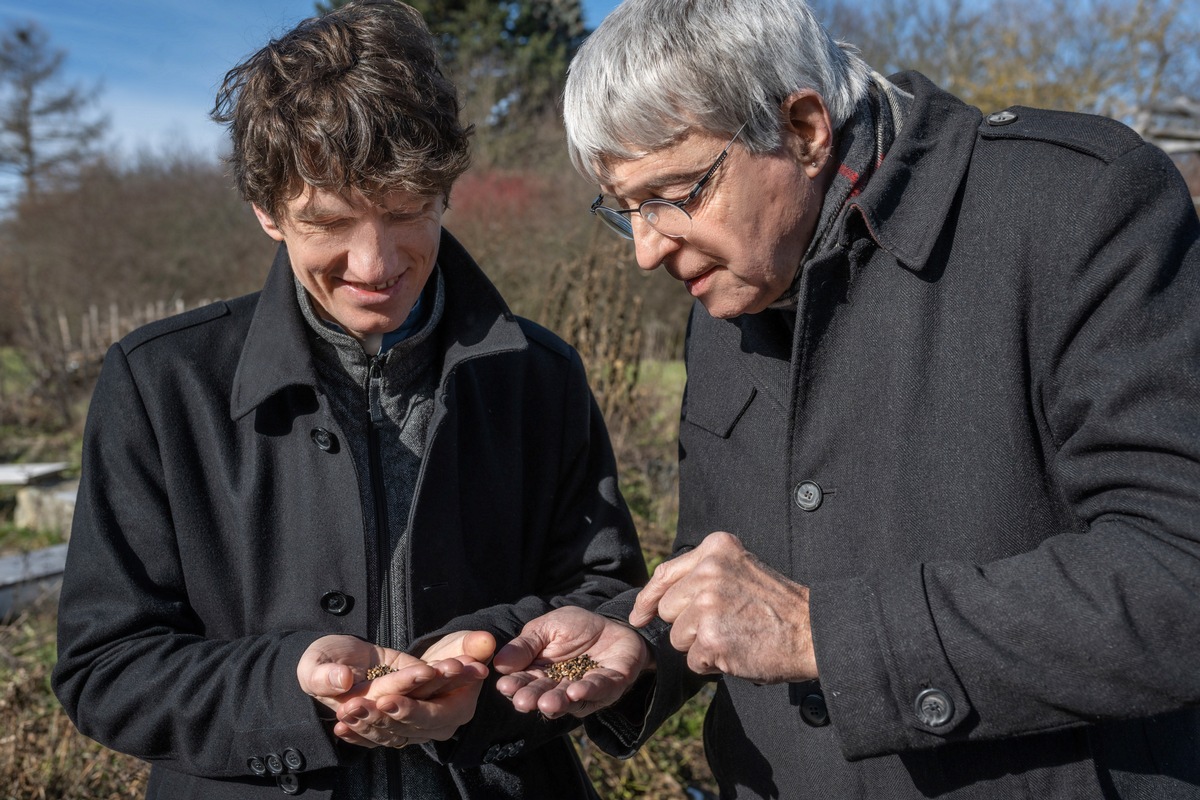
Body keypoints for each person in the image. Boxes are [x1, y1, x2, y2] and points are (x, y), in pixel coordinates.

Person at [491, 0, 1200, 797]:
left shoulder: (1074, 205)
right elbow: (727, 572)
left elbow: (1176, 574)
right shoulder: (732, 291)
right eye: (625, 212)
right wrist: (639, 642)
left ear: (802, 128)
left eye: (673, 194)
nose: (648, 248)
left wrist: (818, 635)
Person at [51, 2, 646, 798]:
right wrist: (287, 681)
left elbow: (605, 601)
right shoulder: (159, 384)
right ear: (267, 211)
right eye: (328, 222)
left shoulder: (541, 374)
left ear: (445, 191)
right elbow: (105, 668)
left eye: (405, 213)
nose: (375, 264)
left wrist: (485, 676)